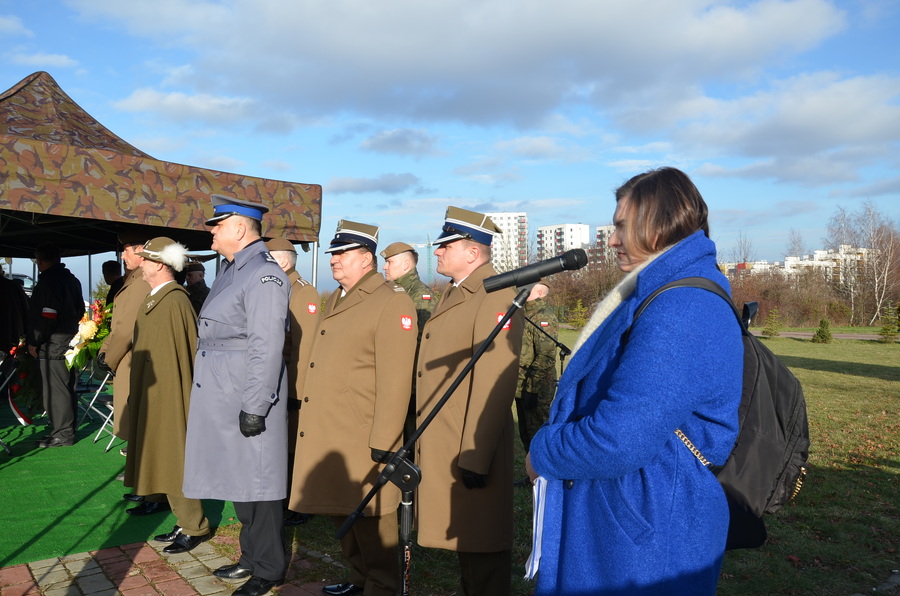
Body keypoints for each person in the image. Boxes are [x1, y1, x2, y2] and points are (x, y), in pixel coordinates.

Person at [525, 167, 744, 595]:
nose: (611, 240)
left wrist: (543, 451)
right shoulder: (661, 293)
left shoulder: (683, 306)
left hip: (645, 538)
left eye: (621, 226)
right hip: (628, 520)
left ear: (658, 225)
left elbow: (618, 439)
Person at [289, 221, 417, 596]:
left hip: (364, 432)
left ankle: (383, 586)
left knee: (372, 518)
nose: (334, 260)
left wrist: (385, 440)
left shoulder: (391, 300)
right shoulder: (337, 297)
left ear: (366, 258)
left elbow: (396, 378)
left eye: (342, 253)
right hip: (332, 427)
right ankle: (361, 578)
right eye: (333, 253)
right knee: (343, 511)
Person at [182, 195, 290, 596]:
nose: (211, 232)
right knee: (241, 482)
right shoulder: (233, 269)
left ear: (240, 228)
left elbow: (267, 344)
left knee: (259, 483)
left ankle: (269, 568)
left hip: (246, 392)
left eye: (218, 225)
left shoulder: (263, 274)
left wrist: (256, 405)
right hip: (226, 390)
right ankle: (251, 557)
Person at [414, 207, 523, 596]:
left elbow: (496, 378)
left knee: (481, 542)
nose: (437, 252)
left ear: (473, 252)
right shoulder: (458, 289)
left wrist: (476, 456)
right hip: (449, 434)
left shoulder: (494, 293)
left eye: (446, 246)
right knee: (467, 538)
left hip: (471, 439)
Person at [122, 237, 210, 553]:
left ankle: (194, 525)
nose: (141, 264)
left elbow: (184, 356)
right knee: (161, 455)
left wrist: (178, 401)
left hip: (171, 395)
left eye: (146, 259)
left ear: (160, 265)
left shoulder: (174, 301)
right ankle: (177, 516)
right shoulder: (158, 298)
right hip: (155, 392)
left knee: (175, 457)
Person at [264, 237, 320, 526]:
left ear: (283, 262)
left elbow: (305, 347)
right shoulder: (276, 287)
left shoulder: (302, 292)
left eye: (268, 258)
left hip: (293, 382)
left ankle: (300, 502)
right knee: (280, 444)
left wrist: (297, 391)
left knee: (294, 446)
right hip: (276, 378)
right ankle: (285, 497)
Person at [380, 241, 436, 457]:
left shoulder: (420, 296)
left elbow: (422, 345)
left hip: (409, 386)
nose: (384, 267)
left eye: (389, 262)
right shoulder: (391, 292)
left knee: (408, 445)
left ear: (406, 265)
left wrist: (412, 389)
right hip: (392, 381)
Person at [98, 233, 151, 452]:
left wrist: (109, 358)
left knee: (135, 415)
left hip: (132, 356)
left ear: (140, 251)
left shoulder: (141, 282)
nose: (122, 256)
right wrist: (105, 350)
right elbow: (119, 324)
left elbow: (126, 327)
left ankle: (139, 459)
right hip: (129, 356)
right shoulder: (134, 279)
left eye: (126, 250)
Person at [27, 243, 84, 448]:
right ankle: (64, 430)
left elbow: (47, 316)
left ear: (39, 261)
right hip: (69, 341)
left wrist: (34, 341)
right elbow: (79, 309)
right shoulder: (72, 280)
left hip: (53, 344)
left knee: (56, 390)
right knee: (67, 388)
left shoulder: (48, 282)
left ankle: (62, 434)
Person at [514, 281, 558, 456]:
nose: (522, 291)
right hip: (521, 384)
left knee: (537, 432)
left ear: (540, 293)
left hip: (537, 386)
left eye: (528, 289)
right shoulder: (524, 313)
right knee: (525, 432)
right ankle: (530, 467)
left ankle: (543, 470)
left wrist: (532, 389)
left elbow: (546, 356)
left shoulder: (543, 316)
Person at [0, 264, 29, 353]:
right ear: (3, 273)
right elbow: (26, 308)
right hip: (11, 334)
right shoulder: (14, 286)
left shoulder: (13, 286)